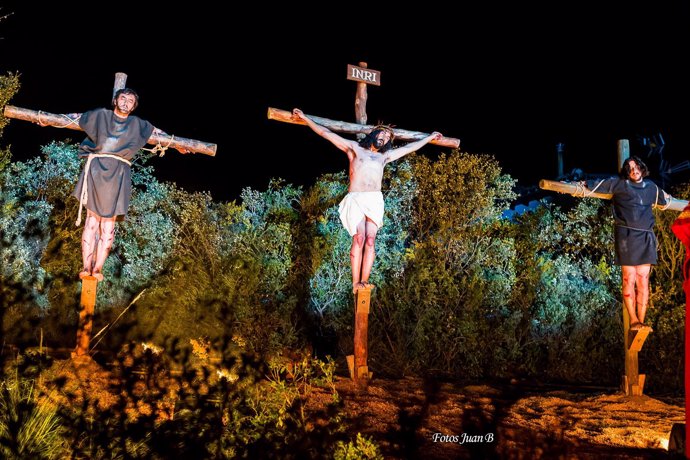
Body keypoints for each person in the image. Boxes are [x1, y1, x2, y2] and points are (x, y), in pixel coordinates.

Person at [292, 108, 442, 293]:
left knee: (370, 240)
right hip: (355, 198)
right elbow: (326, 133)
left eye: (388, 137)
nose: (385, 138)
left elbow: (408, 148)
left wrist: (429, 138)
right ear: (374, 133)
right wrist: (305, 118)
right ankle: (355, 283)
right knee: (359, 238)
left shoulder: (384, 156)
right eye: (383, 133)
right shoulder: (355, 149)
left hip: (374, 200)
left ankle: (364, 282)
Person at [72, 88, 186, 281]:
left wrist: (177, 144)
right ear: (115, 100)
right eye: (122, 98)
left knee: (108, 226)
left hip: (119, 174)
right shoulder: (101, 115)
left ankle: (98, 268)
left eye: (130, 100)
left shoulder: (138, 125)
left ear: (133, 106)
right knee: (91, 222)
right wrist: (43, 118)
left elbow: (159, 134)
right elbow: (75, 117)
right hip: (97, 169)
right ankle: (85, 267)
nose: (125, 102)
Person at [585, 156, 670, 330]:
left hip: (646, 238)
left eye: (636, 166)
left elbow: (664, 199)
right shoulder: (620, 184)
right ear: (626, 171)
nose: (634, 169)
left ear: (641, 167)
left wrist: (668, 196)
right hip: (627, 237)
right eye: (630, 167)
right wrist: (583, 183)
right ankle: (633, 320)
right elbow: (596, 184)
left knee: (643, 279)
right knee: (628, 278)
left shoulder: (651, 187)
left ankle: (642, 320)